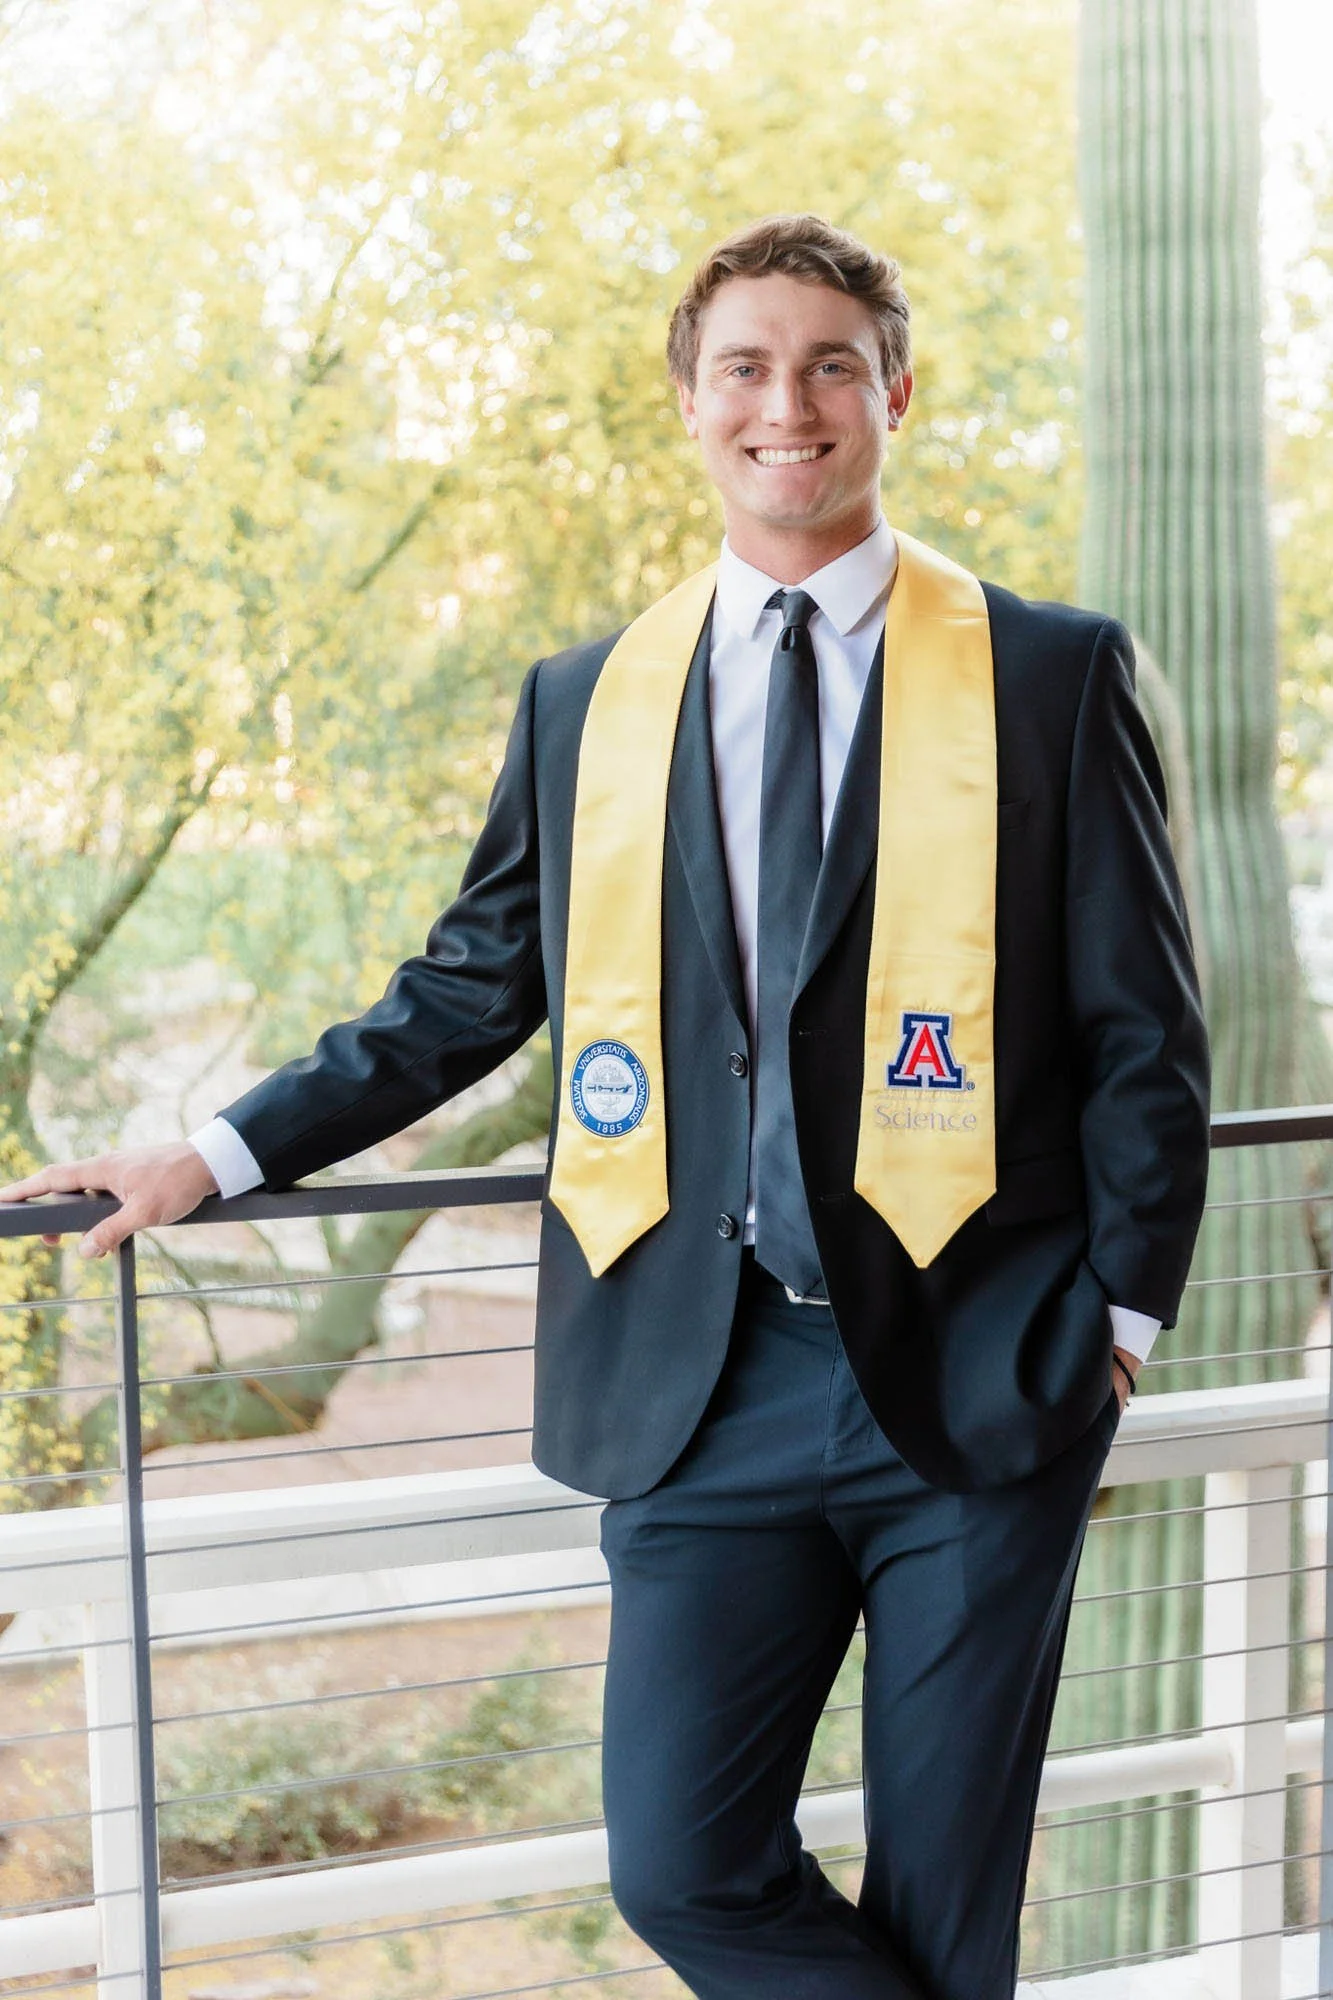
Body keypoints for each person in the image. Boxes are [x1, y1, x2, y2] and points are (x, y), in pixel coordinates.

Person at [1, 214, 1210, 1999]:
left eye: (829, 365)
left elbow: (1144, 1032)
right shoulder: (587, 701)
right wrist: (217, 1152)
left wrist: (1115, 1325)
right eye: (745, 367)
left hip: (978, 1359)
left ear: (894, 394)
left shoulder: (1046, 673)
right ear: (688, 400)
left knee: (952, 1904)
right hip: (699, 1378)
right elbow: (466, 990)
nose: (785, 405)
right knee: (683, 1867)